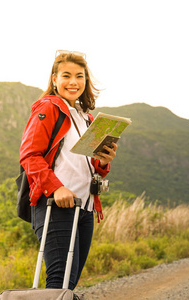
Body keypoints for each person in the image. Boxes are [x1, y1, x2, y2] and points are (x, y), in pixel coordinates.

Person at [19, 50, 117, 292]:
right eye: (66, 75)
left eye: (79, 76)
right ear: (54, 79)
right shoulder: (49, 108)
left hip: (84, 207)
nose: (73, 82)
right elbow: (30, 156)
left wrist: (104, 162)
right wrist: (56, 188)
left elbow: (88, 166)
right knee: (58, 282)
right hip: (57, 204)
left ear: (86, 81)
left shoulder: (86, 118)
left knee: (68, 286)